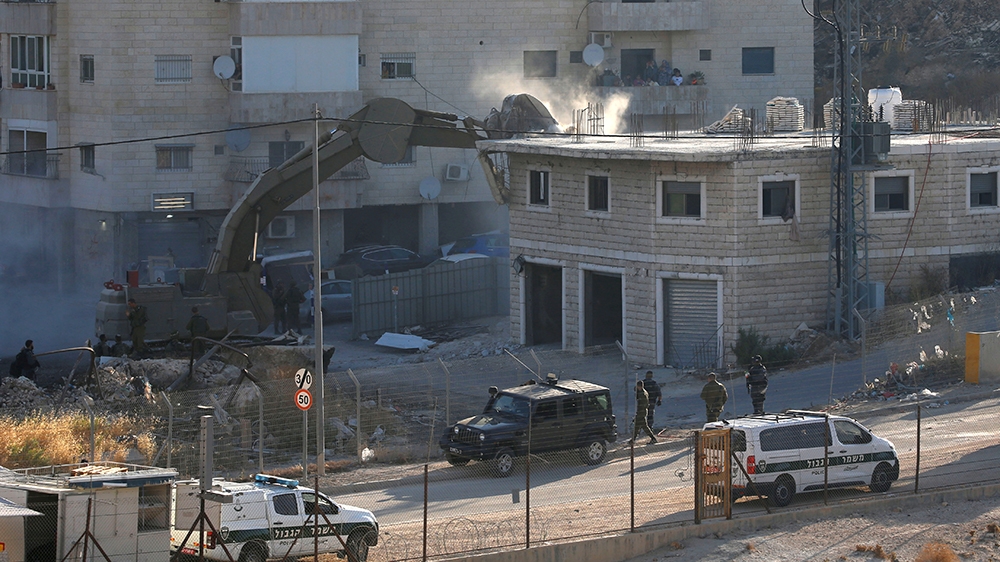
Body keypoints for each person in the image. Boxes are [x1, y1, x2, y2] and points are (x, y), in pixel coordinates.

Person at [629, 381, 657, 445]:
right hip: (642, 411)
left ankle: (653, 438)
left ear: (639, 386)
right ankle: (633, 439)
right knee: (637, 426)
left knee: (644, 427)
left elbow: (642, 405)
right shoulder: (643, 392)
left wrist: (638, 414)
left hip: (641, 412)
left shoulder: (642, 394)